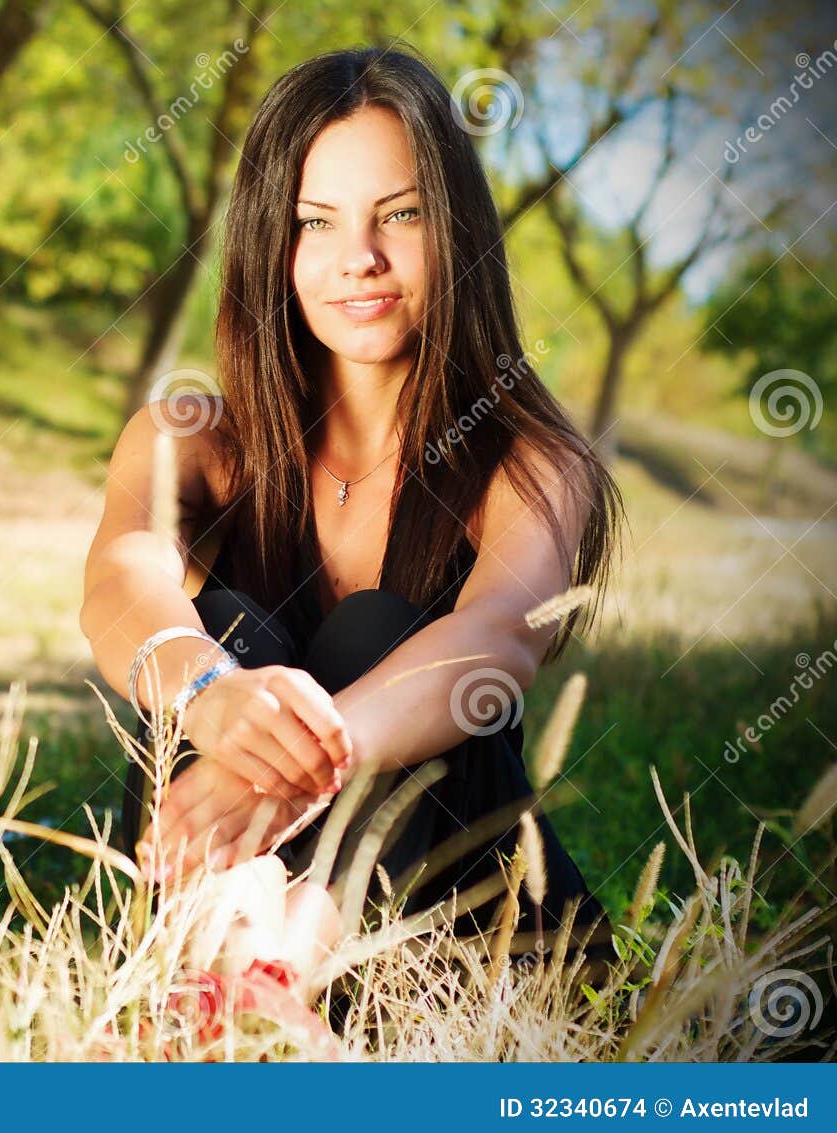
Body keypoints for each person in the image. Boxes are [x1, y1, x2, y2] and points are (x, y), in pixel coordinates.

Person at [78, 45, 625, 952]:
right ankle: (222, 966)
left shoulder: (529, 459)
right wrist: (216, 697)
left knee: (386, 639)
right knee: (227, 632)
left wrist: (296, 767)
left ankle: (271, 978)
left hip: (454, 926)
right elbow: (121, 575)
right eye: (315, 222)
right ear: (270, 241)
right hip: (228, 894)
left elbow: (495, 639)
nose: (359, 259)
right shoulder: (191, 437)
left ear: (454, 229)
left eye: (399, 215)